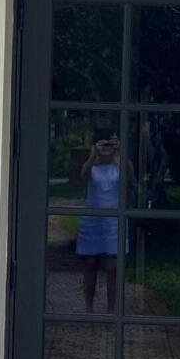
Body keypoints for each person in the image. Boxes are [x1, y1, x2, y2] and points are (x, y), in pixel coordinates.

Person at [76, 130, 124, 313]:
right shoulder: (92, 165)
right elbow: (83, 176)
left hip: (114, 219)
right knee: (90, 263)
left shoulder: (119, 163)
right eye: (103, 144)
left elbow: (129, 179)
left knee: (113, 266)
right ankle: (88, 306)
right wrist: (93, 153)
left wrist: (119, 153)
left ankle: (112, 308)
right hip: (92, 219)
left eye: (109, 144)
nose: (106, 148)